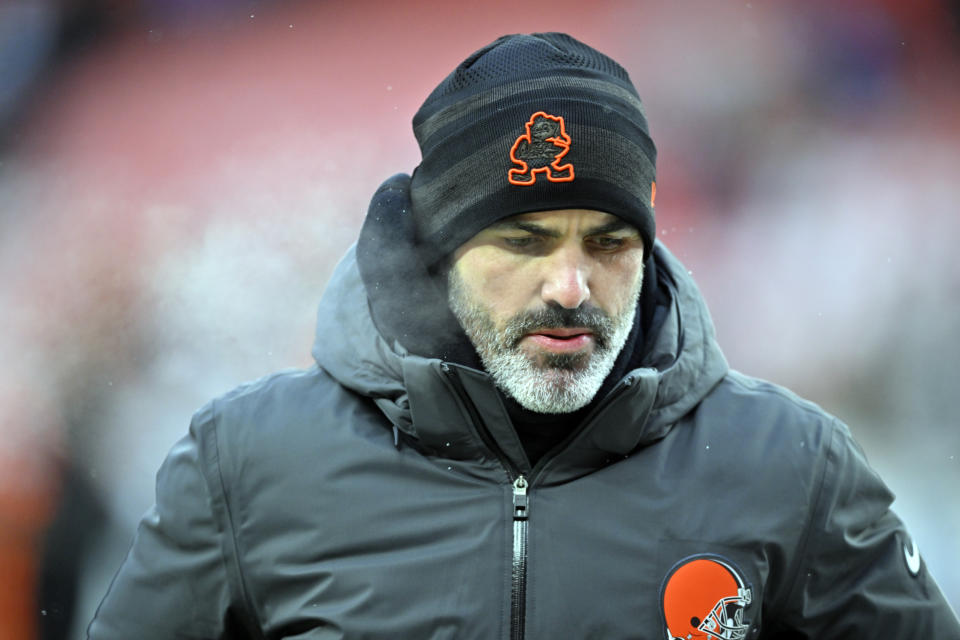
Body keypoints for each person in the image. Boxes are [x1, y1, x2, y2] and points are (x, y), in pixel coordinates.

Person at [88, 33, 959, 639]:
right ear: (437, 249)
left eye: (610, 242)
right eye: (523, 240)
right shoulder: (246, 464)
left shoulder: (790, 464)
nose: (571, 286)